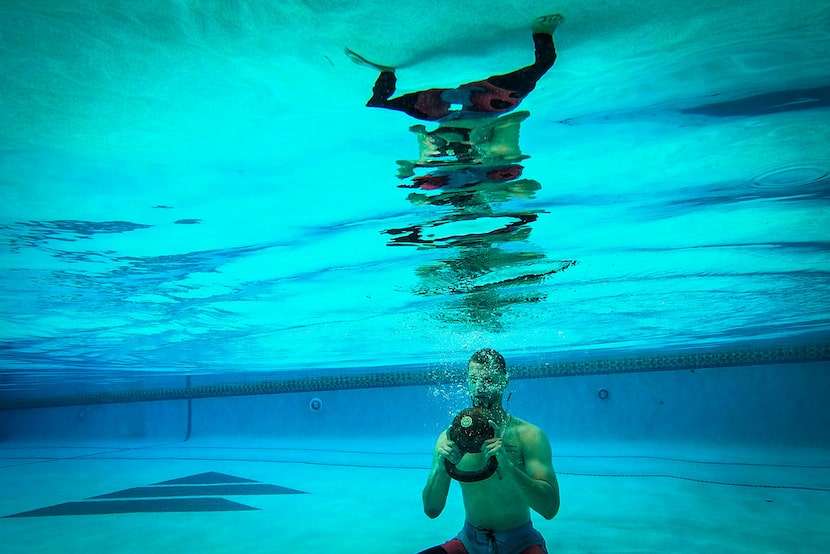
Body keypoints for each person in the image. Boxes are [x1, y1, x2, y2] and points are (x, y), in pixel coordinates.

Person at [418, 348, 560, 554]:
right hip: (469, 543)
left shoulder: (529, 436)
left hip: (521, 544)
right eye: (473, 379)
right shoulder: (450, 439)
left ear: (505, 381)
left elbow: (550, 508)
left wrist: (509, 468)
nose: (479, 387)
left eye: (488, 379)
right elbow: (431, 510)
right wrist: (441, 467)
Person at [346, 14, 564, 122]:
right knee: (542, 65)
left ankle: (387, 73)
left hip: (452, 107)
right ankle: (542, 32)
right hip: (498, 98)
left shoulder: (430, 112)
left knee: (377, 105)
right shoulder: (506, 98)